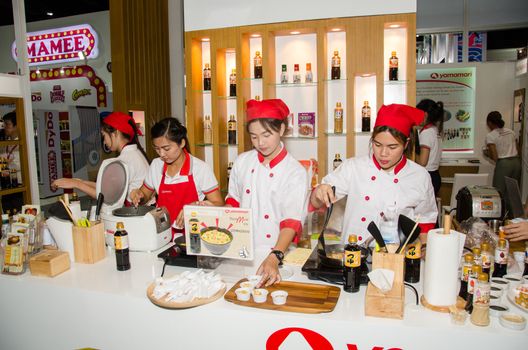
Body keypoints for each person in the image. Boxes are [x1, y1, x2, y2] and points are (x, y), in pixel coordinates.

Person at [310, 104, 438, 245]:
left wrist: (425, 253)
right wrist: (319, 192)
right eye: (377, 145)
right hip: (353, 253)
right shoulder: (354, 167)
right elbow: (316, 202)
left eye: (392, 147)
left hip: (394, 256)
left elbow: (426, 221)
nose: (383, 153)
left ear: (406, 144)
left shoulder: (419, 176)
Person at [225, 99, 308, 287]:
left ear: (281, 130)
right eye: (254, 137)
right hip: (241, 252)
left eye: (266, 135)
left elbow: (291, 222)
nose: (260, 143)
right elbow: (233, 202)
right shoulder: (242, 162)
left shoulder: (295, 172)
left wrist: (275, 256)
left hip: (278, 254)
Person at [130, 117, 223, 231]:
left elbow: (219, 204)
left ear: (182, 143)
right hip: (163, 233)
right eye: (157, 149)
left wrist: (195, 207)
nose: (162, 154)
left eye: (166, 148)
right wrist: (138, 195)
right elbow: (145, 195)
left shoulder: (200, 169)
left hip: (193, 234)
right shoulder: (156, 165)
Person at [52, 112, 149, 205]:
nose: (104, 142)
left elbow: (104, 195)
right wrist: (80, 182)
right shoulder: (135, 153)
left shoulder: (124, 160)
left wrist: (76, 184)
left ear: (115, 133)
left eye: (104, 136)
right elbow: (105, 188)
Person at [484, 111, 521, 197]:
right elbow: (518, 149)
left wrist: (486, 153)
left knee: (499, 192)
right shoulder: (511, 132)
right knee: (513, 192)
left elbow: (494, 156)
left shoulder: (491, 136)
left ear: (489, 122)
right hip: (516, 163)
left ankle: (501, 210)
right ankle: (512, 211)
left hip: (504, 164)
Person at [416, 99, 444, 196]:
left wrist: (413, 155)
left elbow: (423, 162)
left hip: (427, 176)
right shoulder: (435, 129)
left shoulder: (426, 133)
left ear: (425, 115)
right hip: (435, 175)